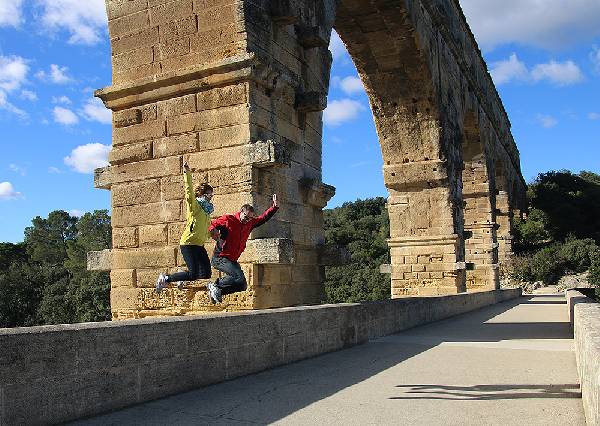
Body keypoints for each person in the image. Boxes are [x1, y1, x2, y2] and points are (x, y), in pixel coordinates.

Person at [206, 194, 279, 303]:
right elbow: (212, 224)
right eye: (245, 217)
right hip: (220, 258)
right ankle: (215, 285)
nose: (247, 220)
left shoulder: (250, 223)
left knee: (242, 284)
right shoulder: (228, 219)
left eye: (250, 218)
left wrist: (274, 207)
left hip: (231, 260)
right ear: (241, 212)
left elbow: (263, 218)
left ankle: (217, 290)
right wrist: (213, 232)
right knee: (237, 277)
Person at [155, 161, 213, 293]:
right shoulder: (195, 205)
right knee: (193, 274)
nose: (211, 197)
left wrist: (214, 234)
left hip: (199, 244)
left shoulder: (207, 211)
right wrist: (187, 173)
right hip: (188, 243)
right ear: (203, 194)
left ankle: (181, 276)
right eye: (209, 194)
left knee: (206, 273)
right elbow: (189, 192)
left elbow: (206, 229)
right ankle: (166, 278)